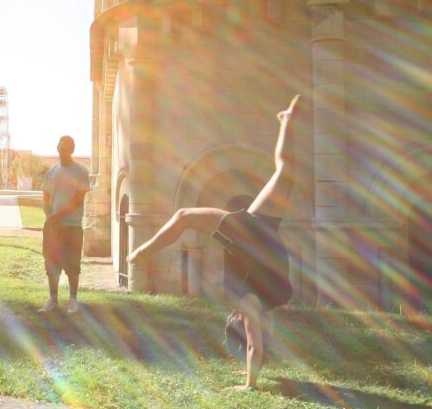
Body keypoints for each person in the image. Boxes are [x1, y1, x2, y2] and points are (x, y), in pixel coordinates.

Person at [128, 94, 304, 389]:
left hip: (263, 230)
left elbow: (254, 347)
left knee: (285, 173)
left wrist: (248, 379)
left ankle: (287, 121)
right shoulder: (249, 301)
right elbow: (254, 347)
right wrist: (250, 384)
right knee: (184, 215)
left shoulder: (259, 300)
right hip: (253, 234)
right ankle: (142, 251)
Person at [40, 135, 90, 314]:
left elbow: (77, 201)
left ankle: (73, 300)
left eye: (66, 149)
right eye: (60, 148)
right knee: (51, 263)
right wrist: (50, 217)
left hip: (72, 226)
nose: (62, 152)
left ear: (72, 150)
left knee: (72, 263)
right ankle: (53, 300)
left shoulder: (81, 172)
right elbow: (45, 198)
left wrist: (57, 216)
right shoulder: (51, 172)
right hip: (52, 227)